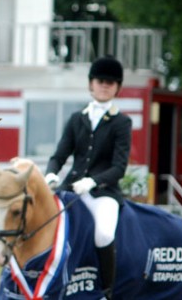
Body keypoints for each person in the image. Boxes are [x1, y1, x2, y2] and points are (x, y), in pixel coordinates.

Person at [44, 55, 131, 299]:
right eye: (100, 80)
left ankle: (106, 290)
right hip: (71, 187)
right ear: (91, 83)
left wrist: (92, 181)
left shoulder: (121, 122)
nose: (104, 85)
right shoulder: (77, 119)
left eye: (110, 82)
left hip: (103, 192)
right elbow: (59, 155)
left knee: (103, 233)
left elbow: (119, 167)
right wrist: (51, 174)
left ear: (117, 87)